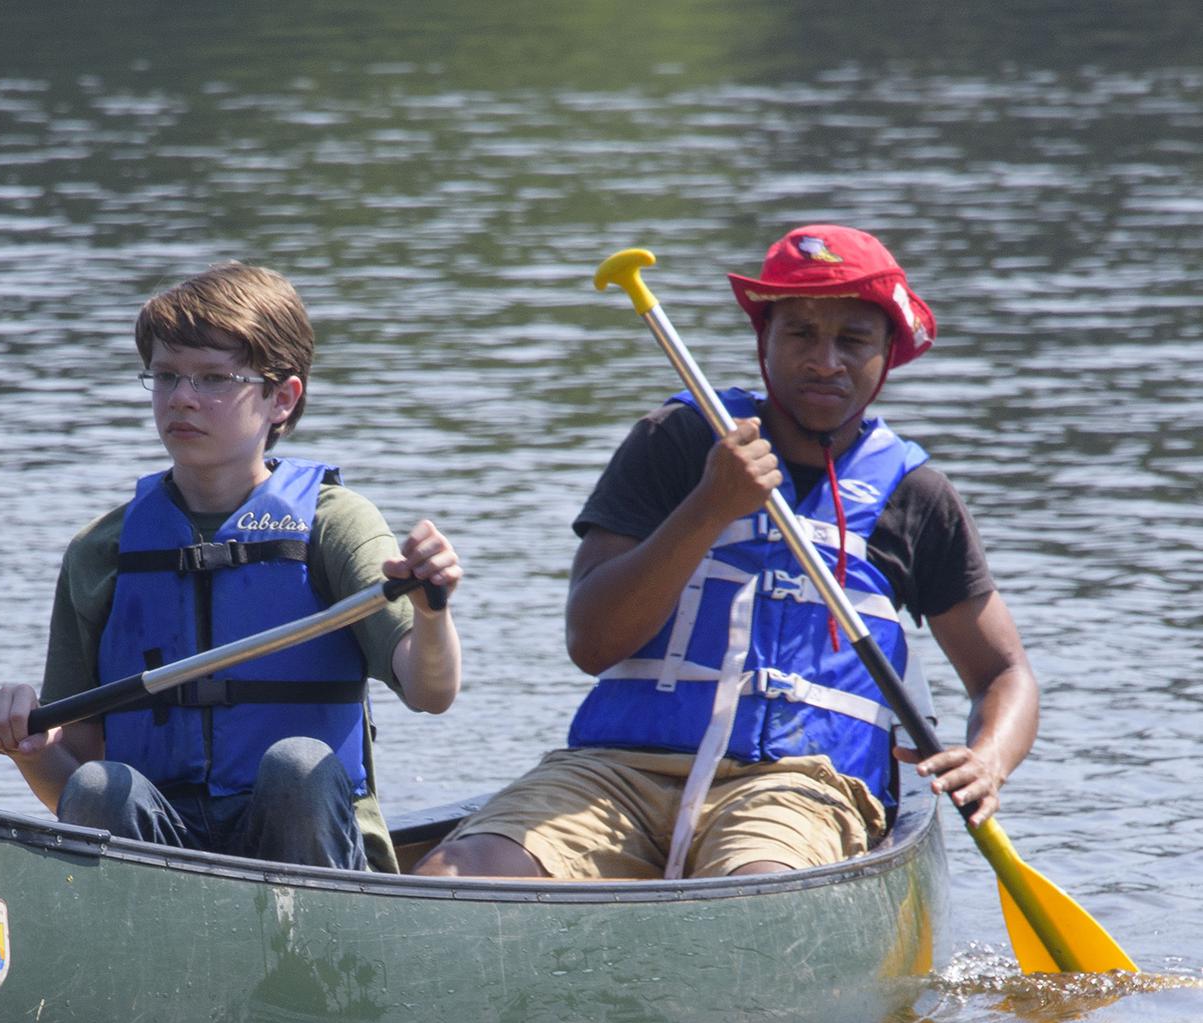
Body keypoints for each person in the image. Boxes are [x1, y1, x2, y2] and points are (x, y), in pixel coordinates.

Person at [415, 224, 1037, 880]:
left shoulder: (916, 496)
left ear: (887, 353)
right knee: (457, 872)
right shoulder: (678, 443)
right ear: (763, 343)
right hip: (618, 768)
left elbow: (1003, 673)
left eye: (851, 340)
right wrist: (709, 506)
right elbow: (590, 642)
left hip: (802, 785)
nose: (825, 362)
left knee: (756, 888)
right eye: (799, 334)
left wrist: (987, 758)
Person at [0, 261, 462, 873]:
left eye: (213, 379)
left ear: (281, 398)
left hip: (313, 847)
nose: (181, 397)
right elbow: (71, 782)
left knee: (298, 767)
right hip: (165, 852)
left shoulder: (335, 523)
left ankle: (308, 941)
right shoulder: (102, 550)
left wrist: (430, 612)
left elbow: (431, 690)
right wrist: (29, 747)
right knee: (101, 786)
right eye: (166, 376)